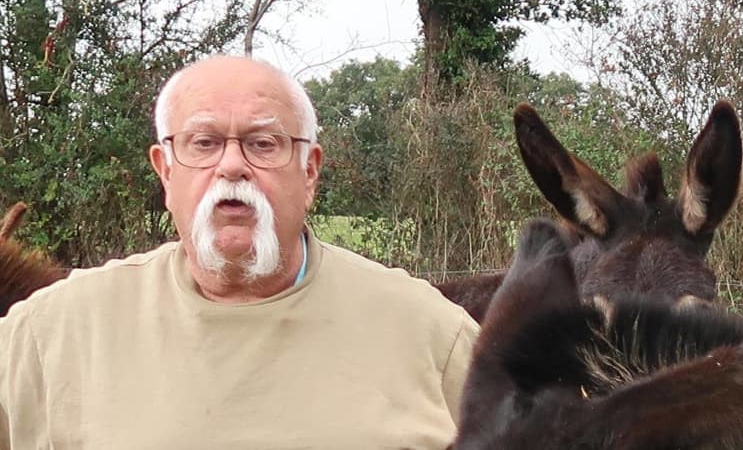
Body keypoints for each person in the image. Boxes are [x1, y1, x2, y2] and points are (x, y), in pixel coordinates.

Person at [0, 56, 479, 448]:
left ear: (309, 171)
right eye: (203, 143)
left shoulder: (437, 337)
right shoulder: (46, 336)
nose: (232, 166)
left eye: (263, 144)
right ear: (165, 171)